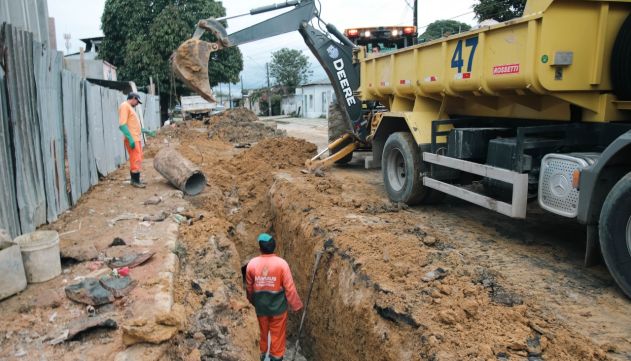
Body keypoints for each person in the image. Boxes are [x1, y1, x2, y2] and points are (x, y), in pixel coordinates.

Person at [246, 233, 303, 361]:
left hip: (260, 308)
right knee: (277, 334)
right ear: (274, 247)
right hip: (278, 308)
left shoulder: (252, 264)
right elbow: (290, 288)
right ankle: (276, 357)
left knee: (262, 332)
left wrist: (249, 302)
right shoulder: (282, 264)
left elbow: (249, 287)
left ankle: (261, 354)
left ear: (260, 248)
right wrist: (296, 305)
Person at [118, 92, 155, 188]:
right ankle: (135, 181)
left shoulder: (129, 107)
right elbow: (122, 125)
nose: (137, 104)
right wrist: (130, 139)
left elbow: (133, 125)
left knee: (138, 158)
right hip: (132, 138)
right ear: (133, 98)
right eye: (137, 101)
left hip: (136, 137)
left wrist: (145, 131)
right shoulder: (124, 106)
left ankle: (136, 179)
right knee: (135, 159)